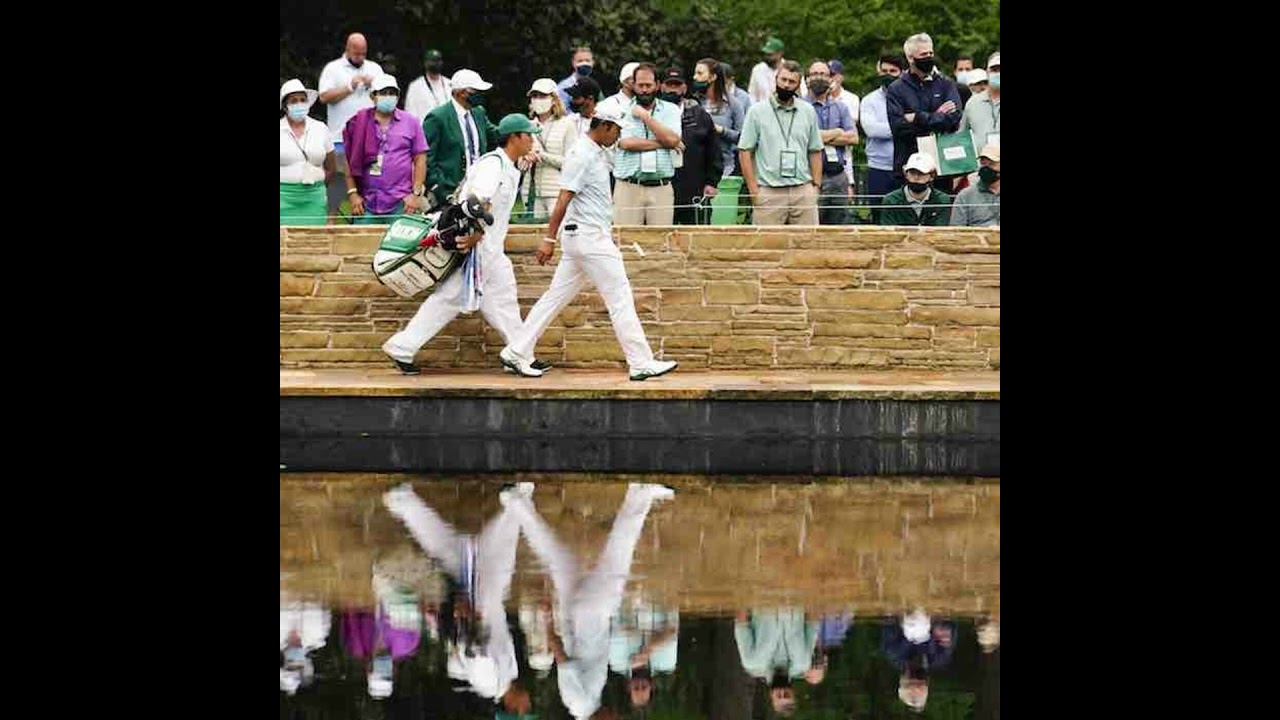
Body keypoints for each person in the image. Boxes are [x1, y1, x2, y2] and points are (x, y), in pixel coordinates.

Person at [499, 105, 678, 382]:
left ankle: (517, 349)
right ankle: (640, 362)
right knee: (620, 298)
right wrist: (548, 238)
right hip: (590, 238)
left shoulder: (594, 151)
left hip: (581, 239)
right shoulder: (582, 154)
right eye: (616, 129)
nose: (618, 135)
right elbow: (563, 197)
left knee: (554, 298)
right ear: (604, 126)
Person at [381, 114, 547, 375]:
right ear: (515, 137)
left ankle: (521, 352)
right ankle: (402, 347)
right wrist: (476, 234)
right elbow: (474, 202)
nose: (533, 140)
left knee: (503, 300)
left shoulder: (510, 166)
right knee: (449, 298)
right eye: (529, 135)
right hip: (477, 248)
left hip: (492, 249)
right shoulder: (493, 165)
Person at [498, 482, 676, 719]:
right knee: (556, 556)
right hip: (577, 613)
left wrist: (547, 621)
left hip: (592, 613)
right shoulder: (585, 703)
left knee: (616, 560)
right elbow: (564, 654)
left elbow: (560, 658)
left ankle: (639, 495)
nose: (616, 717)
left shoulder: (580, 702)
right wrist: (552, 618)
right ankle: (517, 503)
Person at [383, 483, 532, 714]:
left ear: (514, 708)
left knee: (480, 555)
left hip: (477, 604)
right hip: (488, 602)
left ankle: (514, 505)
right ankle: (404, 501)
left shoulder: (489, 683)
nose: (529, 702)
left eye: (526, 708)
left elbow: (471, 650)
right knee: (463, 552)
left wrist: (464, 614)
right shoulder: (509, 676)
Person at [738, 60, 823, 225]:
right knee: (767, 247)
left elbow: (815, 150)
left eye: (791, 82)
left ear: (798, 85)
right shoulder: (756, 111)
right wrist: (753, 190)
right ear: (776, 80)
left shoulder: (808, 111)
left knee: (807, 245)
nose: (786, 85)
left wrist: (815, 187)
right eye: (783, 80)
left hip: (802, 190)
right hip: (769, 191)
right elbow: (745, 151)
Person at [342, 75, 429, 225]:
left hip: (402, 202)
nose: (388, 97)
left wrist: (416, 194)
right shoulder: (359, 121)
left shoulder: (411, 122)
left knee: (400, 247)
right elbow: (349, 159)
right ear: (373, 96)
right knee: (363, 247)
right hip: (366, 202)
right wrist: (353, 193)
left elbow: (420, 159)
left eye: (392, 93)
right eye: (383, 93)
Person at [318, 33, 384, 221]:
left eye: (363, 53)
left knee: (369, 177)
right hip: (339, 137)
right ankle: (331, 221)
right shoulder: (333, 69)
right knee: (338, 179)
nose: (360, 57)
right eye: (356, 53)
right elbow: (323, 97)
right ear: (347, 49)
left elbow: (386, 96)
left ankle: (366, 217)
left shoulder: (375, 68)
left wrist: (374, 85)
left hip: (371, 137)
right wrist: (349, 86)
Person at [886, 33, 963, 184]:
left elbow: (954, 119)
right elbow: (899, 128)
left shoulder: (946, 84)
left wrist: (917, 117)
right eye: (923, 54)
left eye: (931, 53)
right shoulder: (896, 89)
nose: (928, 57)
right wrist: (936, 117)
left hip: (941, 167)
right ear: (910, 57)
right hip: (909, 166)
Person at [422, 69, 500, 207]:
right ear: (461, 93)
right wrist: (439, 188)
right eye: (476, 91)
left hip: (478, 187)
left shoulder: (478, 112)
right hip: (450, 189)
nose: (480, 95)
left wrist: (518, 127)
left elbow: (496, 134)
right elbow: (428, 158)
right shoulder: (438, 117)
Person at [661, 67, 722, 225]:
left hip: (695, 190)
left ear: (684, 88)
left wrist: (712, 182)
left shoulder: (700, 115)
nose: (673, 89)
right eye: (669, 85)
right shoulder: (653, 115)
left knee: (699, 241)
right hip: (662, 190)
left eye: (677, 85)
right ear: (661, 86)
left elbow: (714, 151)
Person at [805, 61, 857, 225]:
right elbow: (803, 138)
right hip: (809, 177)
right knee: (811, 226)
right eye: (815, 74)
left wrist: (819, 136)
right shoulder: (800, 107)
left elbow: (853, 138)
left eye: (824, 74)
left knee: (839, 227)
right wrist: (837, 132)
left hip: (837, 176)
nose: (819, 78)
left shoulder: (841, 107)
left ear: (830, 79)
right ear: (807, 79)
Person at [279, 79, 335, 226]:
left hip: (314, 197)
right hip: (283, 198)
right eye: (293, 101)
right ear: (285, 106)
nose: (299, 104)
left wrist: (317, 185)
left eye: (302, 100)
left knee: (314, 242)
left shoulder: (320, 128)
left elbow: (331, 167)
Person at [523, 78, 579, 220]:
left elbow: (571, 162)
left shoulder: (567, 124)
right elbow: (520, 165)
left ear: (554, 99)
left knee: (558, 235)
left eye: (543, 96)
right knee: (533, 236)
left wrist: (541, 155)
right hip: (531, 192)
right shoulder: (527, 125)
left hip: (557, 191)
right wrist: (525, 158)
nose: (538, 100)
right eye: (535, 96)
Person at [861, 55, 906, 223]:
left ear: (901, 73)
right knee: (879, 217)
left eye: (893, 71)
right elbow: (871, 130)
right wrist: (901, 124)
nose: (888, 74)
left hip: (904, 167)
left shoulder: (908, 98)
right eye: (884, 71)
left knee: (903, 217)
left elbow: (916, 127)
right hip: (878, 168)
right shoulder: (869, 100)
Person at [694, 57, 745, 177]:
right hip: (696, 167)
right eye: (695, 73)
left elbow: (743, 138)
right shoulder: (694, 102)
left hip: (725, 168)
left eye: (700, 73)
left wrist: (721, 130)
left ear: (713, 77)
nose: (695, 77)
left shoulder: (733, 104)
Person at [879, 152, 952, 226]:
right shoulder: (891, 200)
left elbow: (941, 232)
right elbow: (888, 232)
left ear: (932, 176)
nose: (916, 177)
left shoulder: (942, 200)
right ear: (906, 174)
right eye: (912, 173)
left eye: (921, 173)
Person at [949, 144, 999, 226]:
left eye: (991, 164)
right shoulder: (965, 196)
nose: (986, 168)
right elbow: (956, 231)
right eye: (983, 164)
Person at [960, 52, 1000, 151]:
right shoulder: (972, 103)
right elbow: (962, 137)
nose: (998, 73)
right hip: (980, 164)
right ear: (987, 72)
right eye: (994, 70)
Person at [749, 37, 807, 104]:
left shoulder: (791, 70)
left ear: (780, 53)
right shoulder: (757, 70)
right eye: (766, 54)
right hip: (762, 110)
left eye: (770, 55)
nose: (767, 57)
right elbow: (752, 95)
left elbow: (802, 93)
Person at [405, 48, 452, 120]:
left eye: (438, 60)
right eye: (432, 61)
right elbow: (410, 113)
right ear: (425, 63)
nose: (435, 63)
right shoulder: (415, 86)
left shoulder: (449, 84)